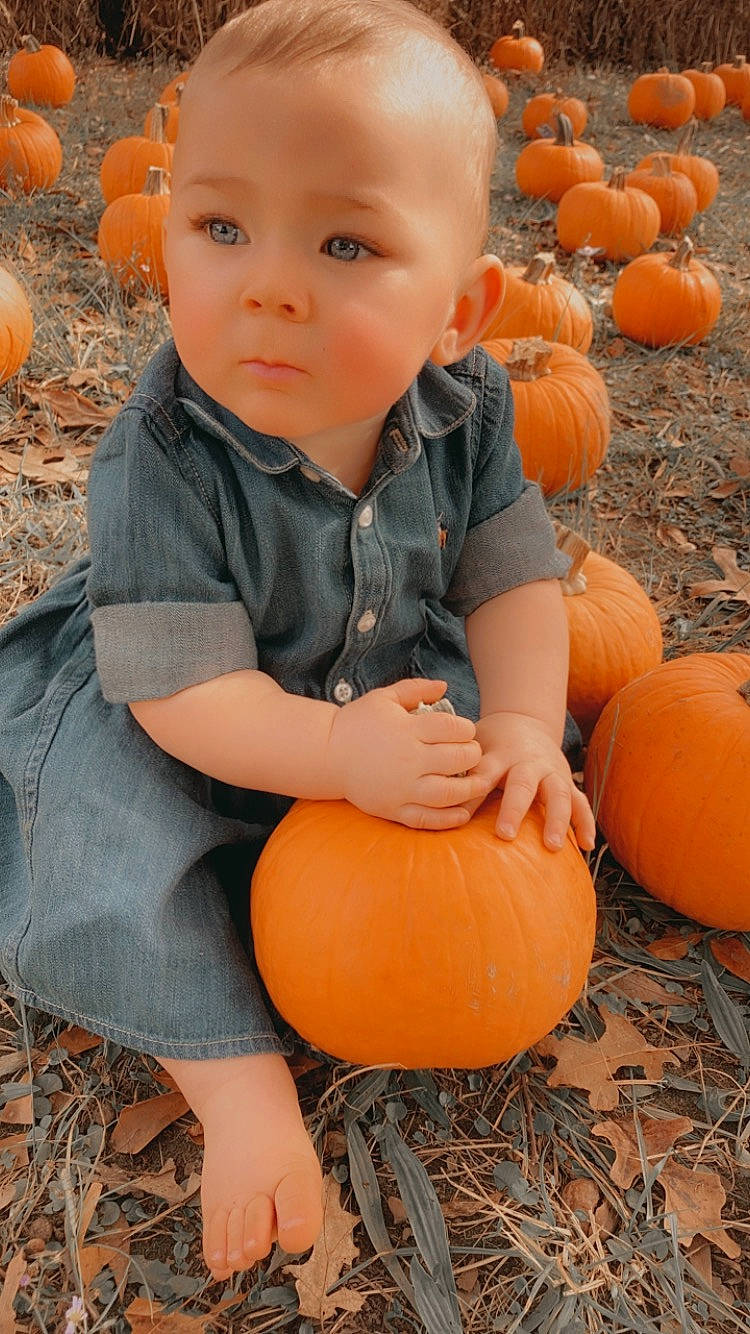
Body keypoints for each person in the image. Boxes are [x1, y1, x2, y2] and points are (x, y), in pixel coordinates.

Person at [0, 0, 596, 1282]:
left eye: (344, 240)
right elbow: (186, 692)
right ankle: (233, 1080)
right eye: (221, 227)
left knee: (509, 735)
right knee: (109, 826)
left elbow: (512, 583)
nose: (267, 282)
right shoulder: (159, 452)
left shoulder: (470, 404)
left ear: (461, 309)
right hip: (189, 698)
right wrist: (331, 751)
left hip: (385, 672)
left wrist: (524, 726)